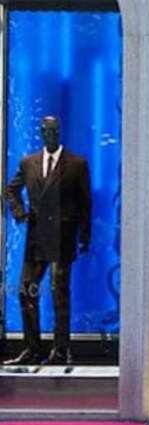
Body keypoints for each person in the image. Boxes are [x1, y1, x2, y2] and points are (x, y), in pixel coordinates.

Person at [3, 115, 91, 366]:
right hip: (37, 237)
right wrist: (19, 212)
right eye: (46, 131)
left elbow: (85, 203)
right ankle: (33, 348)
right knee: (26, 291)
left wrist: (85, 235)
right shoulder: (28, 162)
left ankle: (61, 348)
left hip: (63, 236)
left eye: (54, 130)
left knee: (59, 291)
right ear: (41, 133)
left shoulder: (76, 164)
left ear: (59, 132)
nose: (50, 134)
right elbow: (11, 189)